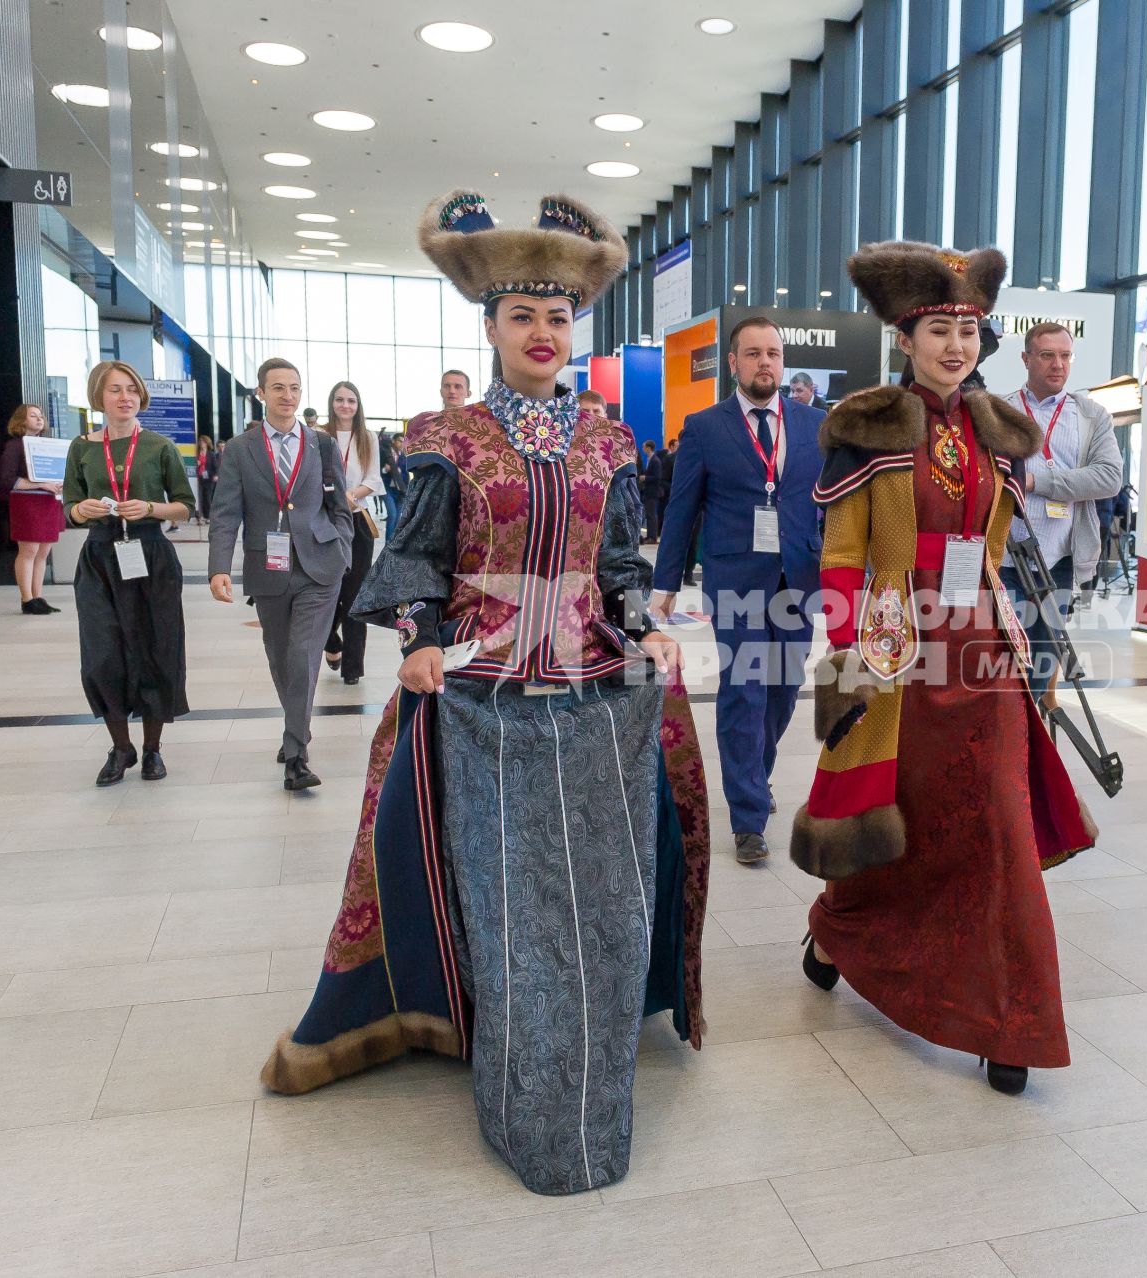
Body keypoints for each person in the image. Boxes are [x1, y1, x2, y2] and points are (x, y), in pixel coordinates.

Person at [261, 189, 712, 1198]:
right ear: (490, 326)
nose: (544, 333)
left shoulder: (609, 443)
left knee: (600, 900)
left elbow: (625, 563)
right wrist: (420, 639)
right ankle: (518, 1080)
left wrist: (649, 623)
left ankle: (594, 1059)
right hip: (480, 695)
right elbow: (416, 557)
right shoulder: (444, 437)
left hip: (595, 695)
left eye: (559, 317)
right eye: (523, 316)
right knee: (511, 903)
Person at [790, 239, 1097, 1097]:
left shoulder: (1000, 430)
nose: (956, 345)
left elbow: (994, 547)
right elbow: (843, 552)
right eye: (938, 329)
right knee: (908, 831)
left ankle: (1010, 1021)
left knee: (998, 825)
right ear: (905, 337)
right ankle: (838, 929)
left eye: (968, 328)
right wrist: (850, 650)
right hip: (898, 656)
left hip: (983, 650)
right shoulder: (867, 424)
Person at [651, 316, 825, 864]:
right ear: (733, 363)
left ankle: (756, 774)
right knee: (744, 690)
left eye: (773, 352)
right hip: (734, 580)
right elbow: (681, 510)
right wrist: (665, 582)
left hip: (797, 577)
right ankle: (748, 816)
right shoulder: (705, 426)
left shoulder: (815, 425)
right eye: (752, 353)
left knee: (784, 689)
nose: (765, 363)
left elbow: (829, 505)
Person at [207, 358, 354, 790]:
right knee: (280, 657)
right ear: (261, 394)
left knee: (305, 654)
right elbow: (225, 512)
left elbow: (338, 504)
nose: (288, 396)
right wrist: (219, 567)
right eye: (278, 388)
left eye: (294, 388)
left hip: (319, 564)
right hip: (267, 567)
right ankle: (295, 727)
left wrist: (342, 548)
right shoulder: (239, 449)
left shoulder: (321, 444)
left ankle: (297, 753)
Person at [62, 361, 195, 785]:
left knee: (157, 648)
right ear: (98, 397)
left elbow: (185, 505)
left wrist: (151, 508)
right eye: (116, 390)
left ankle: (153, 748)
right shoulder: (81, 448)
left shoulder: (159, 445)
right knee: (103, 654)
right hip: (101, 556)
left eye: (132, 389)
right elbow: (70, 507)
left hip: (149, 553)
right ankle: (121, 747)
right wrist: (80, 510)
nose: (126, 397)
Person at [999, 321, 1123, 700]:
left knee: (1044, 663)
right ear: (1026, 359)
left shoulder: (1091, 416)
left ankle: (1028, 747)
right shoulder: (999, 412)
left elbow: (1109, 478)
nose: (1058, 364)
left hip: (1060, 559)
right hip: (1004, 557)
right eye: (1047, 355)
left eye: (1065, 356)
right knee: (1002, 662)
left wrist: (1037, 482)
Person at [322, 380, 386, 687]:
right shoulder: (319, 436)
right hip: (325, 522)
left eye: (351, 400)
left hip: (358, 521)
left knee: (356, 594)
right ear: (331, 403)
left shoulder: (367, 437)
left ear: (358, 406)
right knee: (326, 588)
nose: (345, 405)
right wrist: (335, 500)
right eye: (339, 400)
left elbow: (373, 480)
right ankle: (330, 640)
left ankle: (352, 668)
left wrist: (348, 497)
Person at [0, 403, 65, 615]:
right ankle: (27, 599)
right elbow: (5, 479)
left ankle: (38, 596)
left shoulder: (47, 445)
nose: (39, 418)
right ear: (21, 420)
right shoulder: (15, 445)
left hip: (49, 501)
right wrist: (40, 484)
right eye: (33, 415)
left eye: (40, 415)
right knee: (29, 551)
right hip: (27, 501)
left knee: (43, 552)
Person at [194, 433, 221, 525]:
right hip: (199, 478)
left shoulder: (211, 454)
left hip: (209, 479)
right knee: (199, 498)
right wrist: (196, 464)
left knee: (208, 498)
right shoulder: (196, 454)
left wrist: (216, 475)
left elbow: (216, 466)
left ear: (207, 443)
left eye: (204, 442)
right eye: (200, 442)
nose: (202, 444)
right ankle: (199, 517)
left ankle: (208, 516)